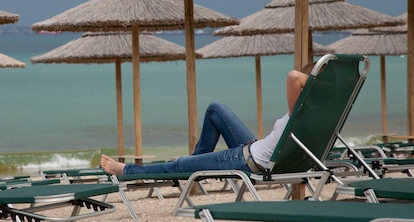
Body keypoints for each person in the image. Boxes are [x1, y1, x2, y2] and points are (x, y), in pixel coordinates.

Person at [100, 62, 316, 176]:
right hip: (254, 149)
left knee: (179, 164)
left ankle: (126, 170)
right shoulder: (321, 118)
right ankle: (195, 165)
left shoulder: (301, 112)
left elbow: (293, 76)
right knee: (216, 109)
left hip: (248, 161)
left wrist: (316, 83)